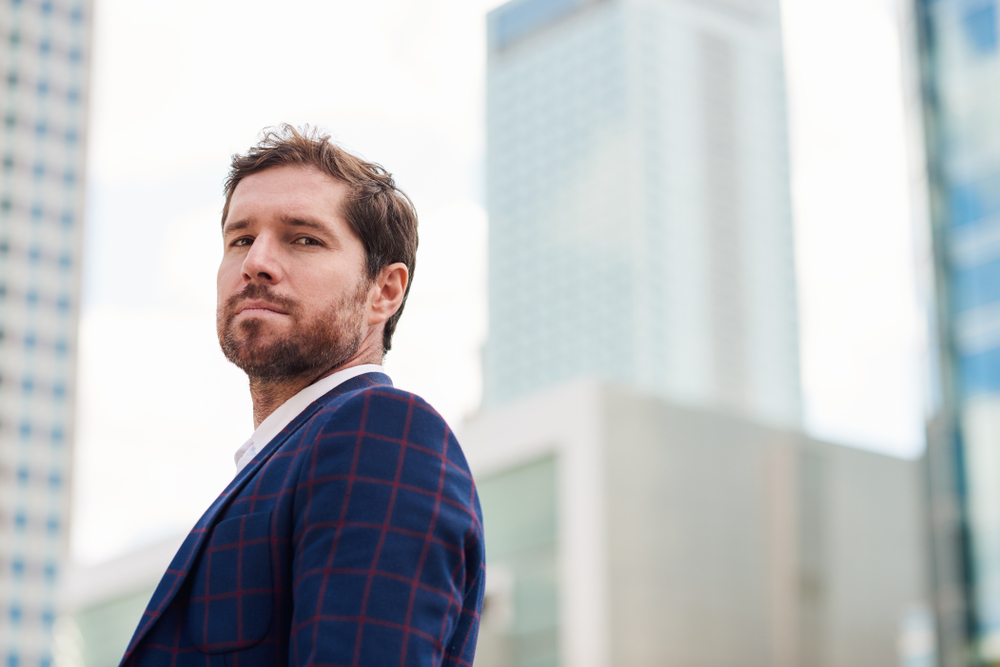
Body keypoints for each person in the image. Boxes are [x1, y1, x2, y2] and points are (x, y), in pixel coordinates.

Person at [119, 125, 485, 667]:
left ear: (384, 291)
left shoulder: (381, 432)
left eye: (304, 238)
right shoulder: (282, 464)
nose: (255, 262)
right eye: (241, 239)